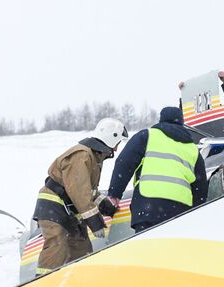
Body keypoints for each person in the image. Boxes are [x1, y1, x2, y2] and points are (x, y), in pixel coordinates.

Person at [32, 118, 128, 275]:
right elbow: (79, 192)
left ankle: (77, 281)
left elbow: (88, 191)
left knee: (81, 248)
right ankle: (42, 283)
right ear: (111, 138)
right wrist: (95, 222)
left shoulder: (94, 157)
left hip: (71, 210)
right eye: (117, 143)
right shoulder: (81, 155)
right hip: (54, 206)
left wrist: (104, 205)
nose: (116, 149)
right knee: (57, 244)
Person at [107, 107, 208, 232]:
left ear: (161, 120)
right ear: (182, 122)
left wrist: (115, 193)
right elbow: (201, 187)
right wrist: (195, 213)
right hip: (181, 213)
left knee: (149, 250)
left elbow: (124, 162)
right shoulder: (193, 149)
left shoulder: (146, 136)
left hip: (148, 208)